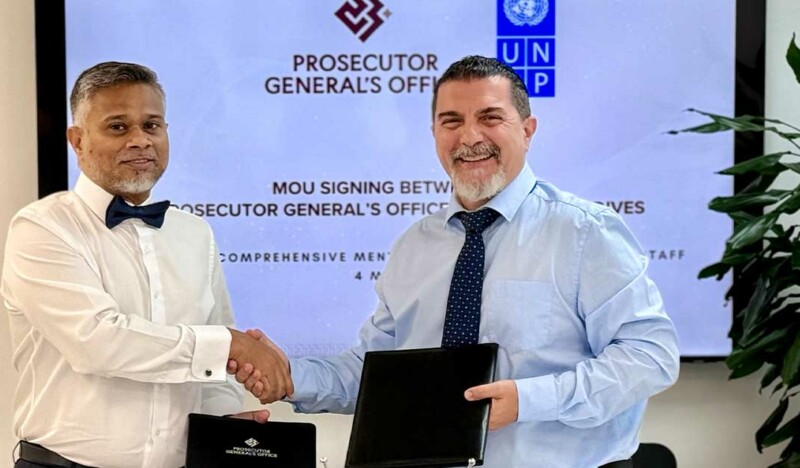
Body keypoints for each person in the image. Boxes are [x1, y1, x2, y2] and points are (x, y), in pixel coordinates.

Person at [238, 55, 680, 467]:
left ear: (528, 130)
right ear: (434, 133)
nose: (469, 137)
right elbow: (376, 374)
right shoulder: (414, 246)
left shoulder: (585, 233)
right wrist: (290, 376)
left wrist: (528, 400)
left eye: (490, 118)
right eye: (452, 121)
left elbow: (650, 357)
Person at [2, 61, 292, 468]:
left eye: (151, 125)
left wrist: (222, 424)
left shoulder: (195, 233)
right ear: (77, 140)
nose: (140, 140)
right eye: (118, 127)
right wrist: (228, 343)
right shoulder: (43, 227)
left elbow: (216, 367)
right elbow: (98, 342)